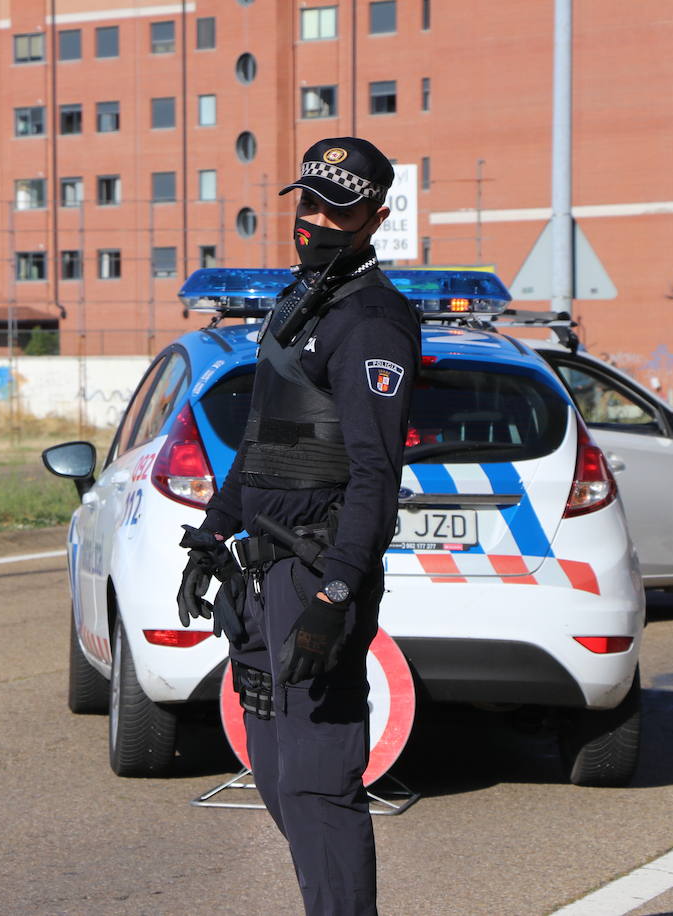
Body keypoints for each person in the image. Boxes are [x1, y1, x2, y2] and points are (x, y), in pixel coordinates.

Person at [178, 137, 420, 916]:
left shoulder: (372, 323)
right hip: (258, 575)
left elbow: (375, 475)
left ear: (375, 218)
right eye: (308, 203)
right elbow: (265, 440)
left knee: (318, 783)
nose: (315, 221)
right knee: (282, 779)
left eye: (337, 211)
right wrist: (214, 532)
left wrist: (338, 593)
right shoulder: (298, 304)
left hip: (315, 573)